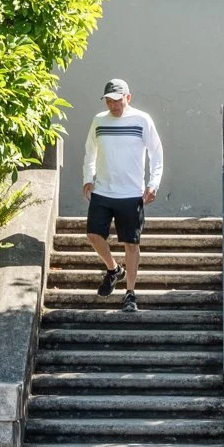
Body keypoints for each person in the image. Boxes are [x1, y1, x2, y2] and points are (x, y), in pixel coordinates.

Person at [82, 78, 163, 313]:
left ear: (128, 97)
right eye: (109, 101)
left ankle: (130, 293)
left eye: (117, 100)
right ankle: (114, 269)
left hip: (131, 194)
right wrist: (88, 177)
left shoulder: (142, 120)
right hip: (103, 191)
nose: (113, 105)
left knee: (131, 243)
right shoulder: (99, 120)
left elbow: (156, 154)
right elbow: (90, 151)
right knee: (93, 235)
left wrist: (153, 184)